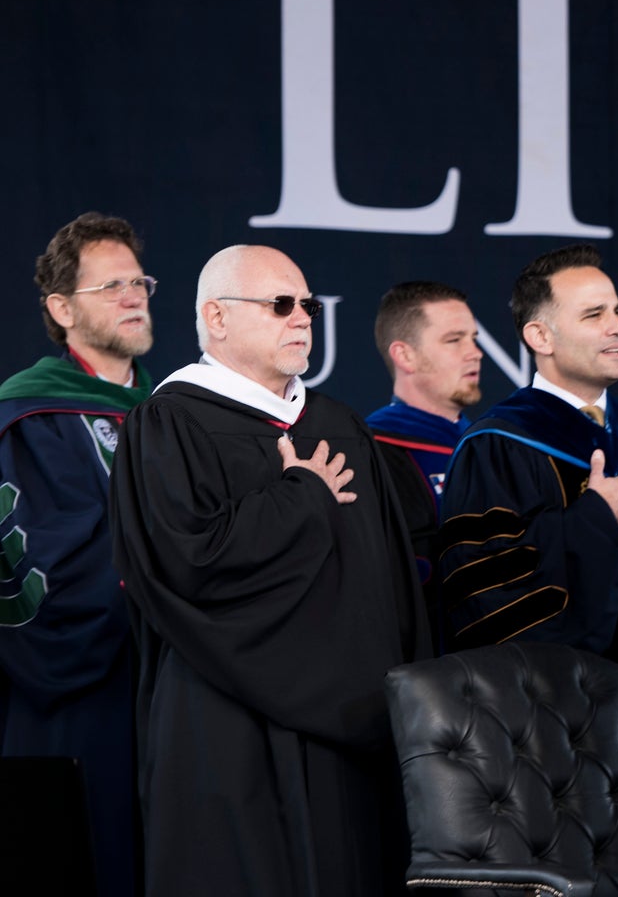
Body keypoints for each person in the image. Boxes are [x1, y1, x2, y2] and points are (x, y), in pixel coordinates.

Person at [111, 245, 431, 895]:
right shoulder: (170, 422)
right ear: (216, 317)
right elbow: (184, 566)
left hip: (352, 734)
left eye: (307, 305)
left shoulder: (341, 426)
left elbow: (393, 589)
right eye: (280, 304)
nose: (303, 318)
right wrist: (300, 500)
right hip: (228, 725)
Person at [434, 244, 618, 849]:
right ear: (540, 336)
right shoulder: (500, 444)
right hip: (554, 725)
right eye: (594, 315)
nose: (617, 327)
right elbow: (483, 591)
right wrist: (595, 518)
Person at [0, 213, 155, 897]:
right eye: (111, 286)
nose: (133, 296)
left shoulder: (169, 413)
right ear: (62, 310)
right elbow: (48, 565)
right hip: (81, 693)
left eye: (139, 282)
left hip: (171, 694)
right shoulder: (31, 416)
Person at [365, 281, 483, 597]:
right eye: (454, 340)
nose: (475, 353)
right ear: (405, 355)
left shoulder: (492, 446)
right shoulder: (372, 454)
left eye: (473, 339)